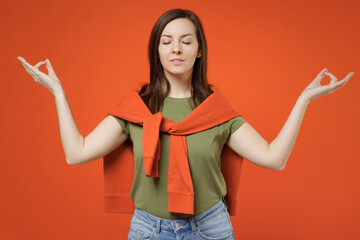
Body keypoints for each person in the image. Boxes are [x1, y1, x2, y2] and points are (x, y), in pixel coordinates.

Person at [17, 8, 353, 240]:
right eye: (167, 41)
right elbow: (77, 153)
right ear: (157, 51)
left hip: (210, 227)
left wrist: (303, 99)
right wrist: (58, 92)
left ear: (199, 51)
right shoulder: (137, 108)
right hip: (149, 230)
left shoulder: (217, 111)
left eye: (186, 41)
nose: (176, 48)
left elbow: (273, 158)